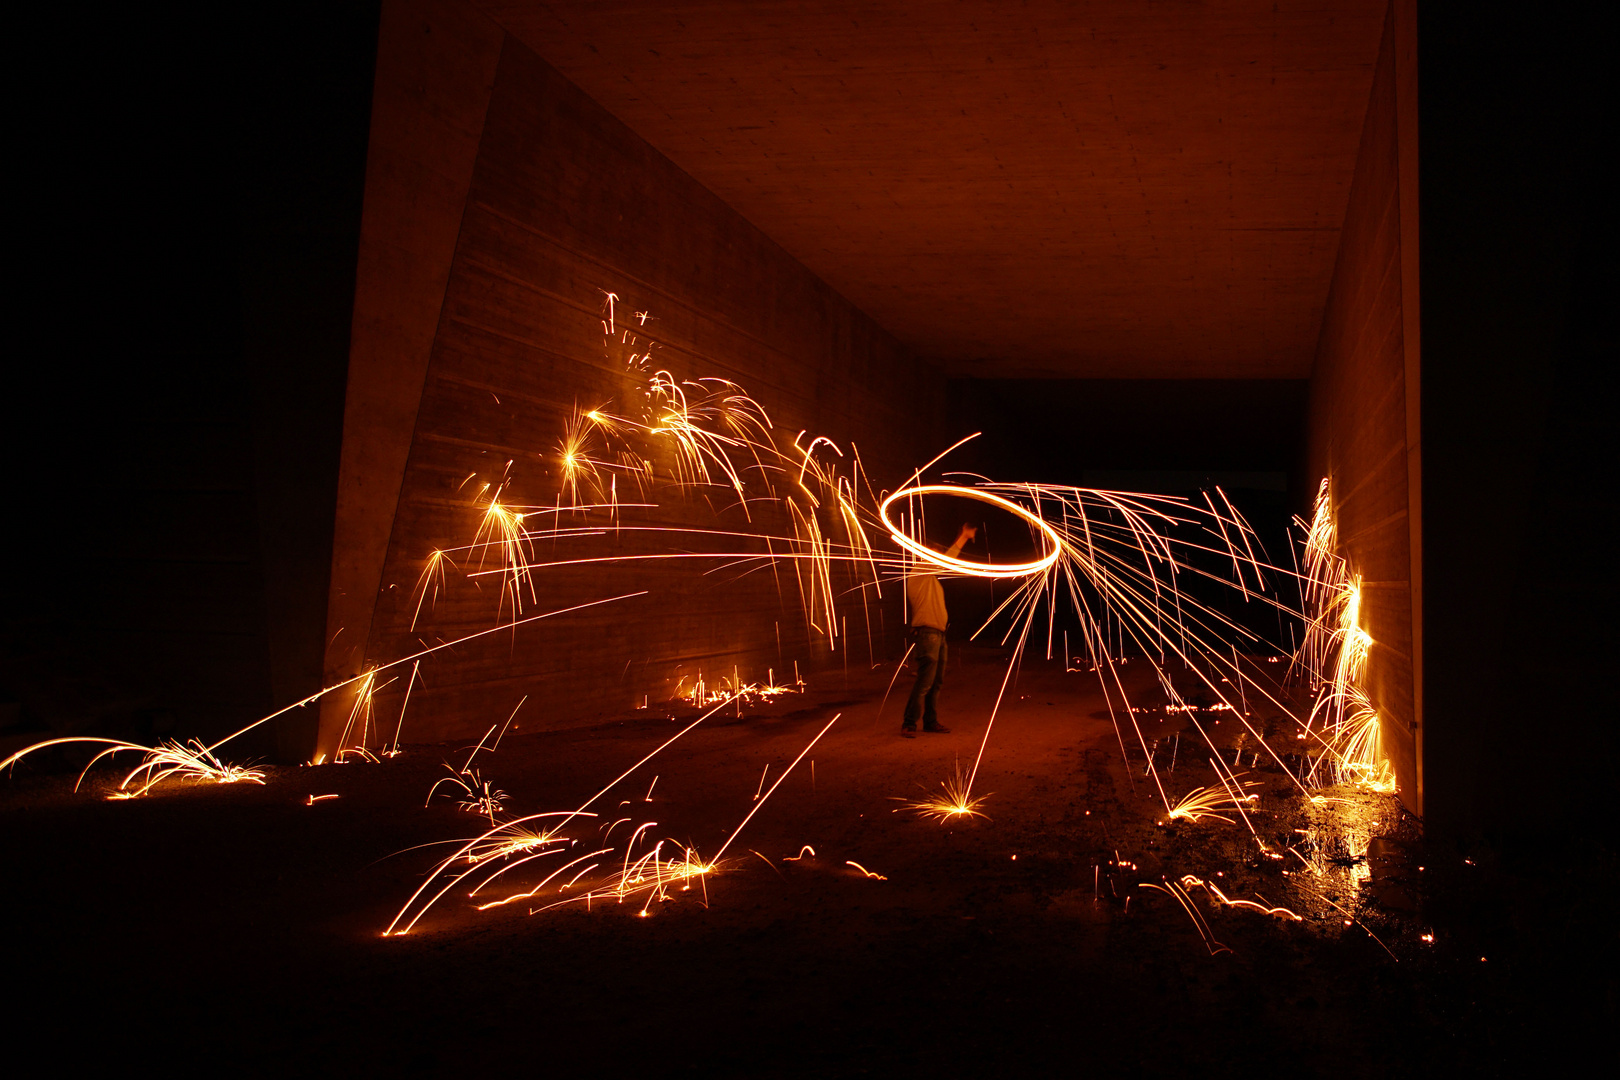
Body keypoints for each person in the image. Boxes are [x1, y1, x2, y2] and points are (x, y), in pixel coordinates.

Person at [901, 523, 976, 737]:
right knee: (925, 682)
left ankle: (930, 721)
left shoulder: (930, 579)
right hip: (928, 635)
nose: (939, 557)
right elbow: (947, 560)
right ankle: (908, 723)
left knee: (935, 683)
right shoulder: (919, 572)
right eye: (935, 554)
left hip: (939, 635)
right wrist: (962, 538)